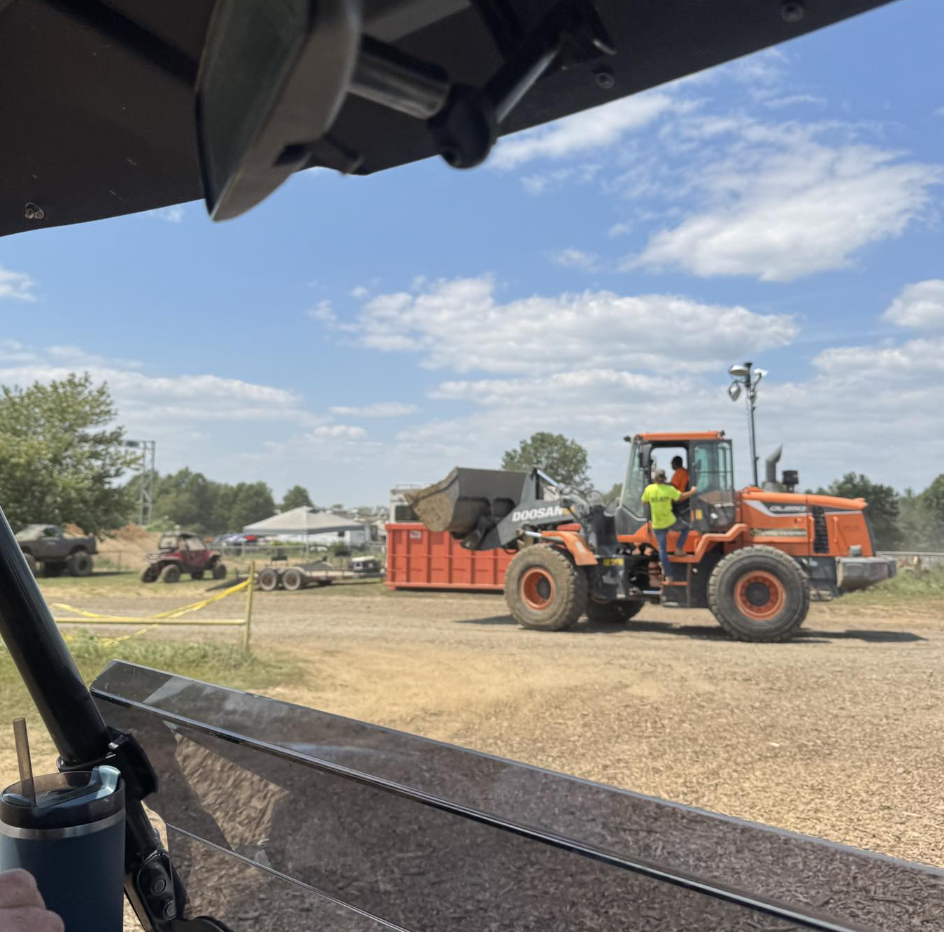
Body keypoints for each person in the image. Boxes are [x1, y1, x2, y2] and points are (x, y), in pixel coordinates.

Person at [641, 468, 697, 580]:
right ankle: (678, 548)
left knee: (662, 550)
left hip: (657, 524)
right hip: (670, 521)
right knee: (686, 528)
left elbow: (644, 501)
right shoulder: (669, 489)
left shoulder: (649, 489)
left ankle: (669, 575)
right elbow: (681, 497)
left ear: (655, 479)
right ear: (664, 478)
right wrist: (692, 491)